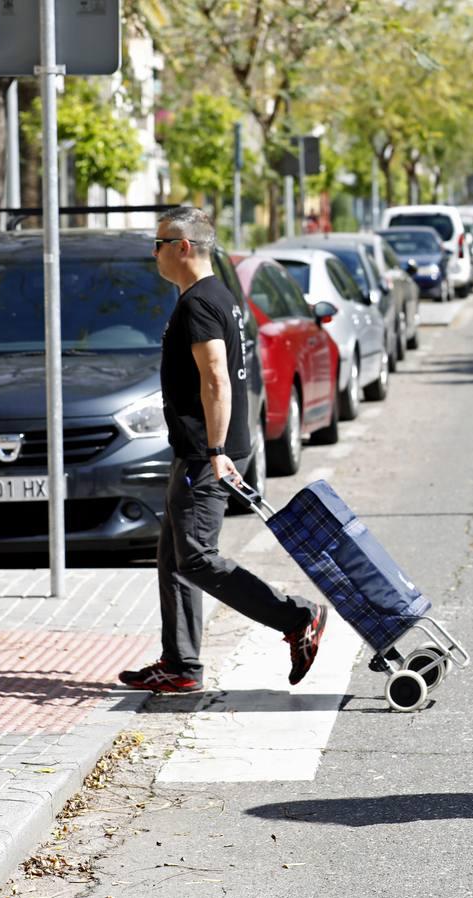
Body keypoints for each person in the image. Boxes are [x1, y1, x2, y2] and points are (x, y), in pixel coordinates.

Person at [118, 207, 327, 694]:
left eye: (159, 244)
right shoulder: (219, 297)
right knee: (172, 557)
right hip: (203, 450)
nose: (154, 253)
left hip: (207, 454)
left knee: (194, 557)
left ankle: (296, 617)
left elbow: (216, 378)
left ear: (183, 247)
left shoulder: (198, 304)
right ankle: (180, 664)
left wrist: (214, 449)